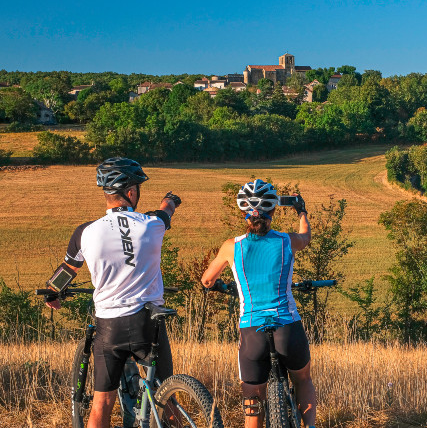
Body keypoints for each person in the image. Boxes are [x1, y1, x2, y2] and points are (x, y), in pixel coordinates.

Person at [44, 157, 181, 428]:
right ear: (131, 193)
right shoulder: (153, 224)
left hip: (110, 327)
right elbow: (166, 212)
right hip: (148, 323)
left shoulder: (85, 233)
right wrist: (172, 201)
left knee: (102, 404)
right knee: (167, 396)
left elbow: (68, 269)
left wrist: (53, 292)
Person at [201, 179, 315, 428]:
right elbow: (306, 236)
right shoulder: (287, 241)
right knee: (303, 379)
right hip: (287, 327)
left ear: (244, 213)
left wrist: (221, 286)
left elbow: (207, 280)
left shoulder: (232, 246)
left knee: (253, 403)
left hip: (252, 331)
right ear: (273, 210)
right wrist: (302, 211)